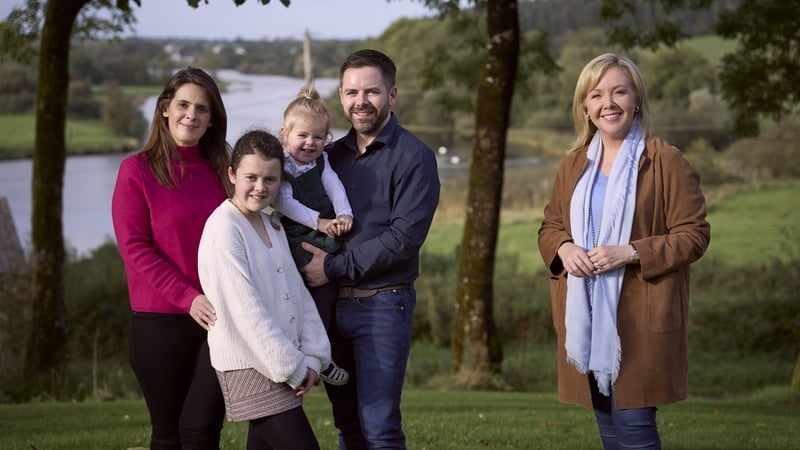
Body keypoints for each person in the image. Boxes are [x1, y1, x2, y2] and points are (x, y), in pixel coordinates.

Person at [537, 53, 711, 449]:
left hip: (639, 317)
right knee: (610, 431)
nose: (608, 103)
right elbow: (550, 226)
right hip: (586, 318)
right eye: (596, 95)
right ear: (585, 106)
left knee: (634, 428)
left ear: (636, 99)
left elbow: (695, 234)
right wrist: (564, 247)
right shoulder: (574, 164)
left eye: (619, 92)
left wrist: (631, 252)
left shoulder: (665, 160)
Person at [300, 49, 441, 450]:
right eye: (351, 92)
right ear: (341, 97)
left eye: (371, 92)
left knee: (380, 429)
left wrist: (333, 267)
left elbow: (403, 239)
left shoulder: (414, 158)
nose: (360, 101)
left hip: (383, 305)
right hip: (329, 306)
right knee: (348, 427)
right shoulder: (327, 157)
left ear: (392, 94)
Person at [111, 67, 229, 449]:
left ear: (212, 120)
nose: (191, 115)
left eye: (202, 108)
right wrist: (187, 297)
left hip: (219, 319)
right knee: (168, 435)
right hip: (159, 322)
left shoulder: (222, 172)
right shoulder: (136, 171)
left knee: (203, 430)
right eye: (183, 105)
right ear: (165, 108)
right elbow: (134, 249)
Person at [198, 129, 331, 450]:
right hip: (252, 363)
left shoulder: (272, 223)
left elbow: (298, 295)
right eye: (251, 177)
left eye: (270, 179)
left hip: (282, 361)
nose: (260, 187)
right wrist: (292, 367)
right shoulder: (224, 226)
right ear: (232, 174)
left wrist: (315, 356)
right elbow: (245, 310)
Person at [273, 85, 354, 386]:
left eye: (318, 137)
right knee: (302, 296)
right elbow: (283, 202)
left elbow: (333, 185)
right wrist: (320, 222)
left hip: (323, 229)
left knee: (325, 294)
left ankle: (319, 356)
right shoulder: (282, 164)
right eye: (303, 135)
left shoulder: (321, 161)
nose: (310, 143)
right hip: (299, 233)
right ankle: (310, 357)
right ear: (284, 134)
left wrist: (344, 214)